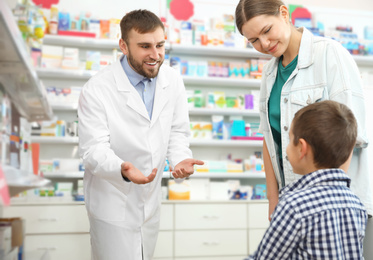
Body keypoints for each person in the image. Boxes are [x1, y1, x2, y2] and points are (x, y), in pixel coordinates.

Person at [235, 0, 373, 254]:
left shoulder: (330, 54)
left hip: (340, 203)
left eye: (266, 31)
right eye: (253, 40)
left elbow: (349, 136)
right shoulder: (269, 73)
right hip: (294, 200)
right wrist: (274, 199)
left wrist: (331, 199)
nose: (264, 44)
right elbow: (269, 138)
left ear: (284, 13)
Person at [78, 9, 203, 260]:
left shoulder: (172, 80)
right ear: (123, 45)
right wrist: (122, 168)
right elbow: (93, 149)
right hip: (113, 203)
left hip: (150, 205)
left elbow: (177, 131)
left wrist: (179, 159)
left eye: (160, 45)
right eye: (145, 46)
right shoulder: (97, 89)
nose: (155, 55)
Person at [246, 100, 368, 259]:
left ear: (302, 148)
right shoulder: (356, 203)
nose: (287, 148)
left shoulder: (293, 206)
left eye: (290, 140)